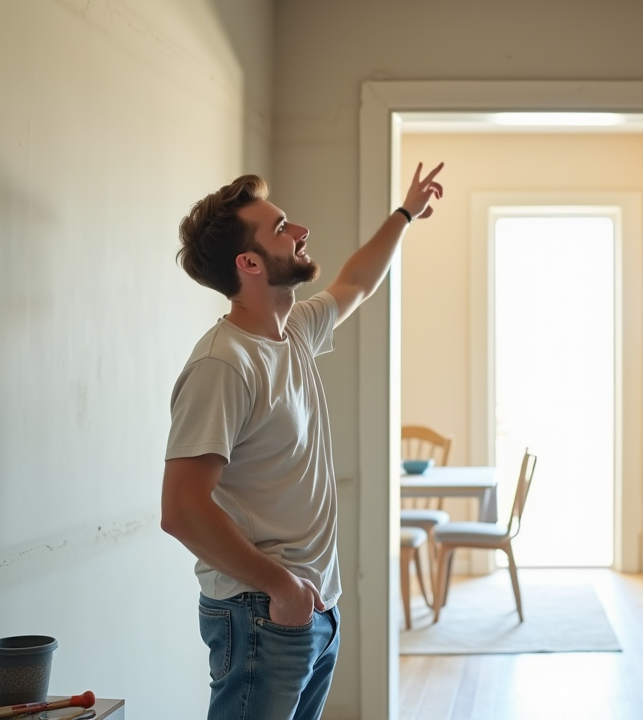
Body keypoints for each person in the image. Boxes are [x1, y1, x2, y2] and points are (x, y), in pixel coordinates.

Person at [160, 163, 444, 720]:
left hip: (308, 609)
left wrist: (405, 214)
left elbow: (357, 283)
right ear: (250, 263)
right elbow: (181, 510)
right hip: (259, 611)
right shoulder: (224, 364)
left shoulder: (293, 335)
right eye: (282, 227)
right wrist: (282, 587)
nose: (300, 231)